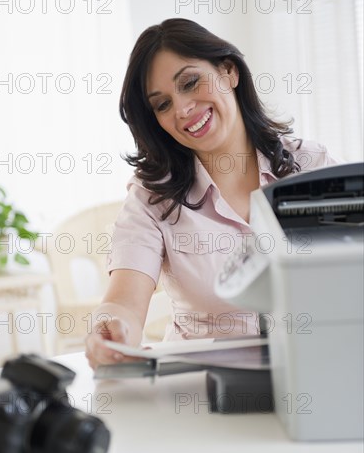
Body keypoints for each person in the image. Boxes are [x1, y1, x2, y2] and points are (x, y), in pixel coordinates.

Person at [85, 18, 338, 369]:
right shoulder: (152, 198)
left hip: (315, 369)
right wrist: (112, 329)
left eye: (190, 83)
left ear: (229, 71)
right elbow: (124, 301)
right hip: (202, 387)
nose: (182, 110)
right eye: (162, 105)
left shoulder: (311, 165)